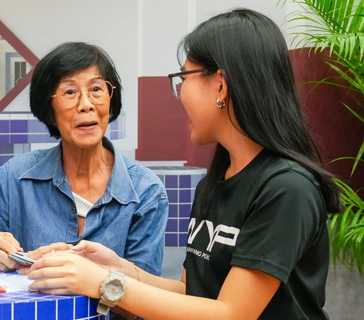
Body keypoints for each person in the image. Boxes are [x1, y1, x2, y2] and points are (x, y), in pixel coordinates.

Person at [26, 9, 342, 319]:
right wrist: (116, 268)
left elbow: (231, 314)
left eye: (183, 77)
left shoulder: (286, 188)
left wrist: (104, 284)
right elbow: (191, 296)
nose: (179, 93)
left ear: (220, 85)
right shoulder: (214, 184)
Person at [0, 42, 168, 277]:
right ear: (49, 109)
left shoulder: (146, 191)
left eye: (96, 89)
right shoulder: (14, 177)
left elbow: (146, 297)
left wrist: (92, 279)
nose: (86, 105)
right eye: (70, 92)